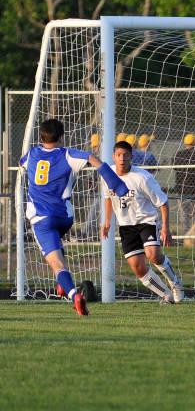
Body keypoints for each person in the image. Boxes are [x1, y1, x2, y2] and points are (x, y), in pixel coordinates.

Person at [19, 119, 129, 315]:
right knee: (57, 248)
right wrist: (117, 184)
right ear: (61, 137)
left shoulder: (32, 154)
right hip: (64, 218)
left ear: (41, 137)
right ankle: (61, 285)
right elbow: (93, 159)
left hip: (41, 219)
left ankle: (74, 295)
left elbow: (21, 162)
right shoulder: (68, 155)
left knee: (57, 265)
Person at [102, 140, 184, 303]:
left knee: (153, 255)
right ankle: (166, 295)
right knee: (138, 268)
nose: (122, 158)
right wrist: (107, 221)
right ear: (113, 157)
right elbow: (108, 197)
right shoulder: (108, 175)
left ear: (132, 157)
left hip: (147, 221)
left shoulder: (143, 177)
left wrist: (165, 228)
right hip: (126, 226)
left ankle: (176, 284)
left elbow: (163, 202)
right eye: (119, 155)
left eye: (126, 155)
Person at [172, 133, 195, 233]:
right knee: (191, 212)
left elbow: (174, 167)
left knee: (184, 214)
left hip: (181, 188)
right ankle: (190, 233)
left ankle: (186, 233)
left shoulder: (179, 154)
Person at [81, 133, 102, 239]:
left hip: (107, 189)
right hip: (101, 190)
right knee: (95, 208)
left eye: (96, 146)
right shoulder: (95, 156)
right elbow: (90, 177)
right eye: (94, 147)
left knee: (95, 209)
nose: (95, 149)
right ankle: (88, 231)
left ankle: (86, 231)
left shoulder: (105, 155)